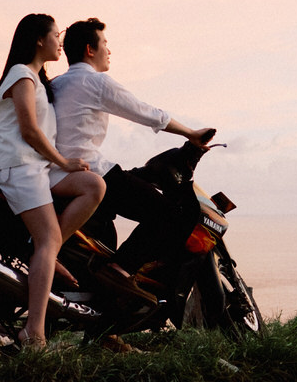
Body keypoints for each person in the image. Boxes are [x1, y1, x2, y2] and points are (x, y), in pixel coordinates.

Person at [50, 17, 215, 278]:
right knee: (168, 213)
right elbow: (145, 112)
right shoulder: (95, 82)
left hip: (55, 173)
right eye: (105, 43)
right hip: (89, 172)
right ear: (90, 50)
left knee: (130, 185)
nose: (109, 50)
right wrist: (191, 133)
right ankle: (121, 269)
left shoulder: (56, 84)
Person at [0, 13, 105, 348]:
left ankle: (45, 253)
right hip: (18, 166)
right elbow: (28, 130)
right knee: (48, 237)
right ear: (39, 39)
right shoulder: (21, 75)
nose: (59, 41)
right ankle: (33, 331)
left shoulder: (39, 81)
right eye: (55, 35)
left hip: (36, 167)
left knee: (94, 185)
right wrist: (63, 162)